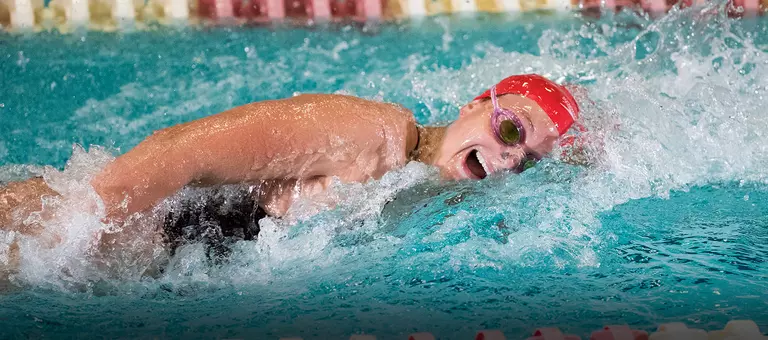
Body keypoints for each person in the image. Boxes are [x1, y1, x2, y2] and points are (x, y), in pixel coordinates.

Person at [0, 74, 582, 270]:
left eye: (528, 161)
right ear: (476, 105)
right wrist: (77, 229)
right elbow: (179, 151)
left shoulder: (433, 192)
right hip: (127, 228)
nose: (511, 158)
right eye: (512, 130)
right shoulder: (371, 133)